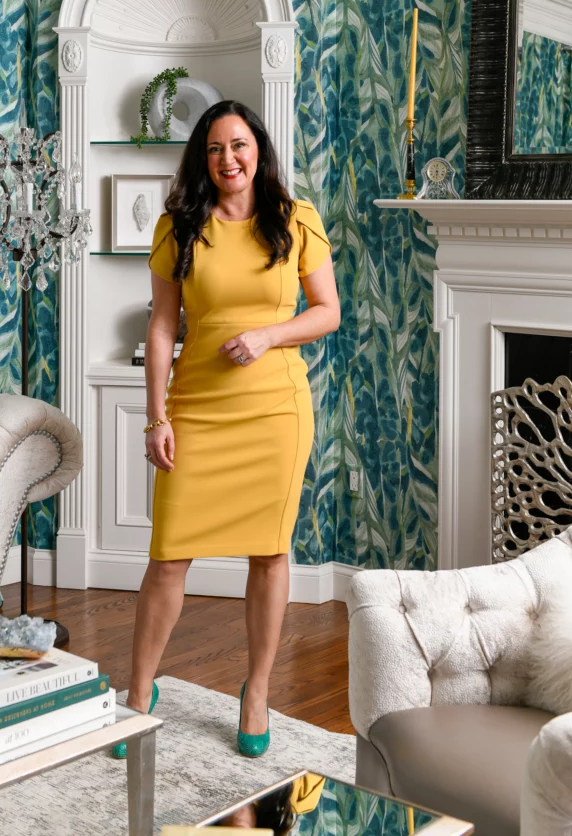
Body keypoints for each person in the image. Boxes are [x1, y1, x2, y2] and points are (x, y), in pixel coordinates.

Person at [112, 100, 340, 760]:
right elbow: (160, 328)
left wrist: (269, 334)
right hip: (197, 407)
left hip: (274, 411)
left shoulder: (296, 221)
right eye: (214, 149)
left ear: (258, 152)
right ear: (201, 159)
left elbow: (326, 312)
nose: (227, 159)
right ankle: (137, 691)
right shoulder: (179, 226)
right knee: (168, 558)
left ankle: (257, 690)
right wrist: (156, 416)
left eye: (238, 145)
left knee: (269, 555)